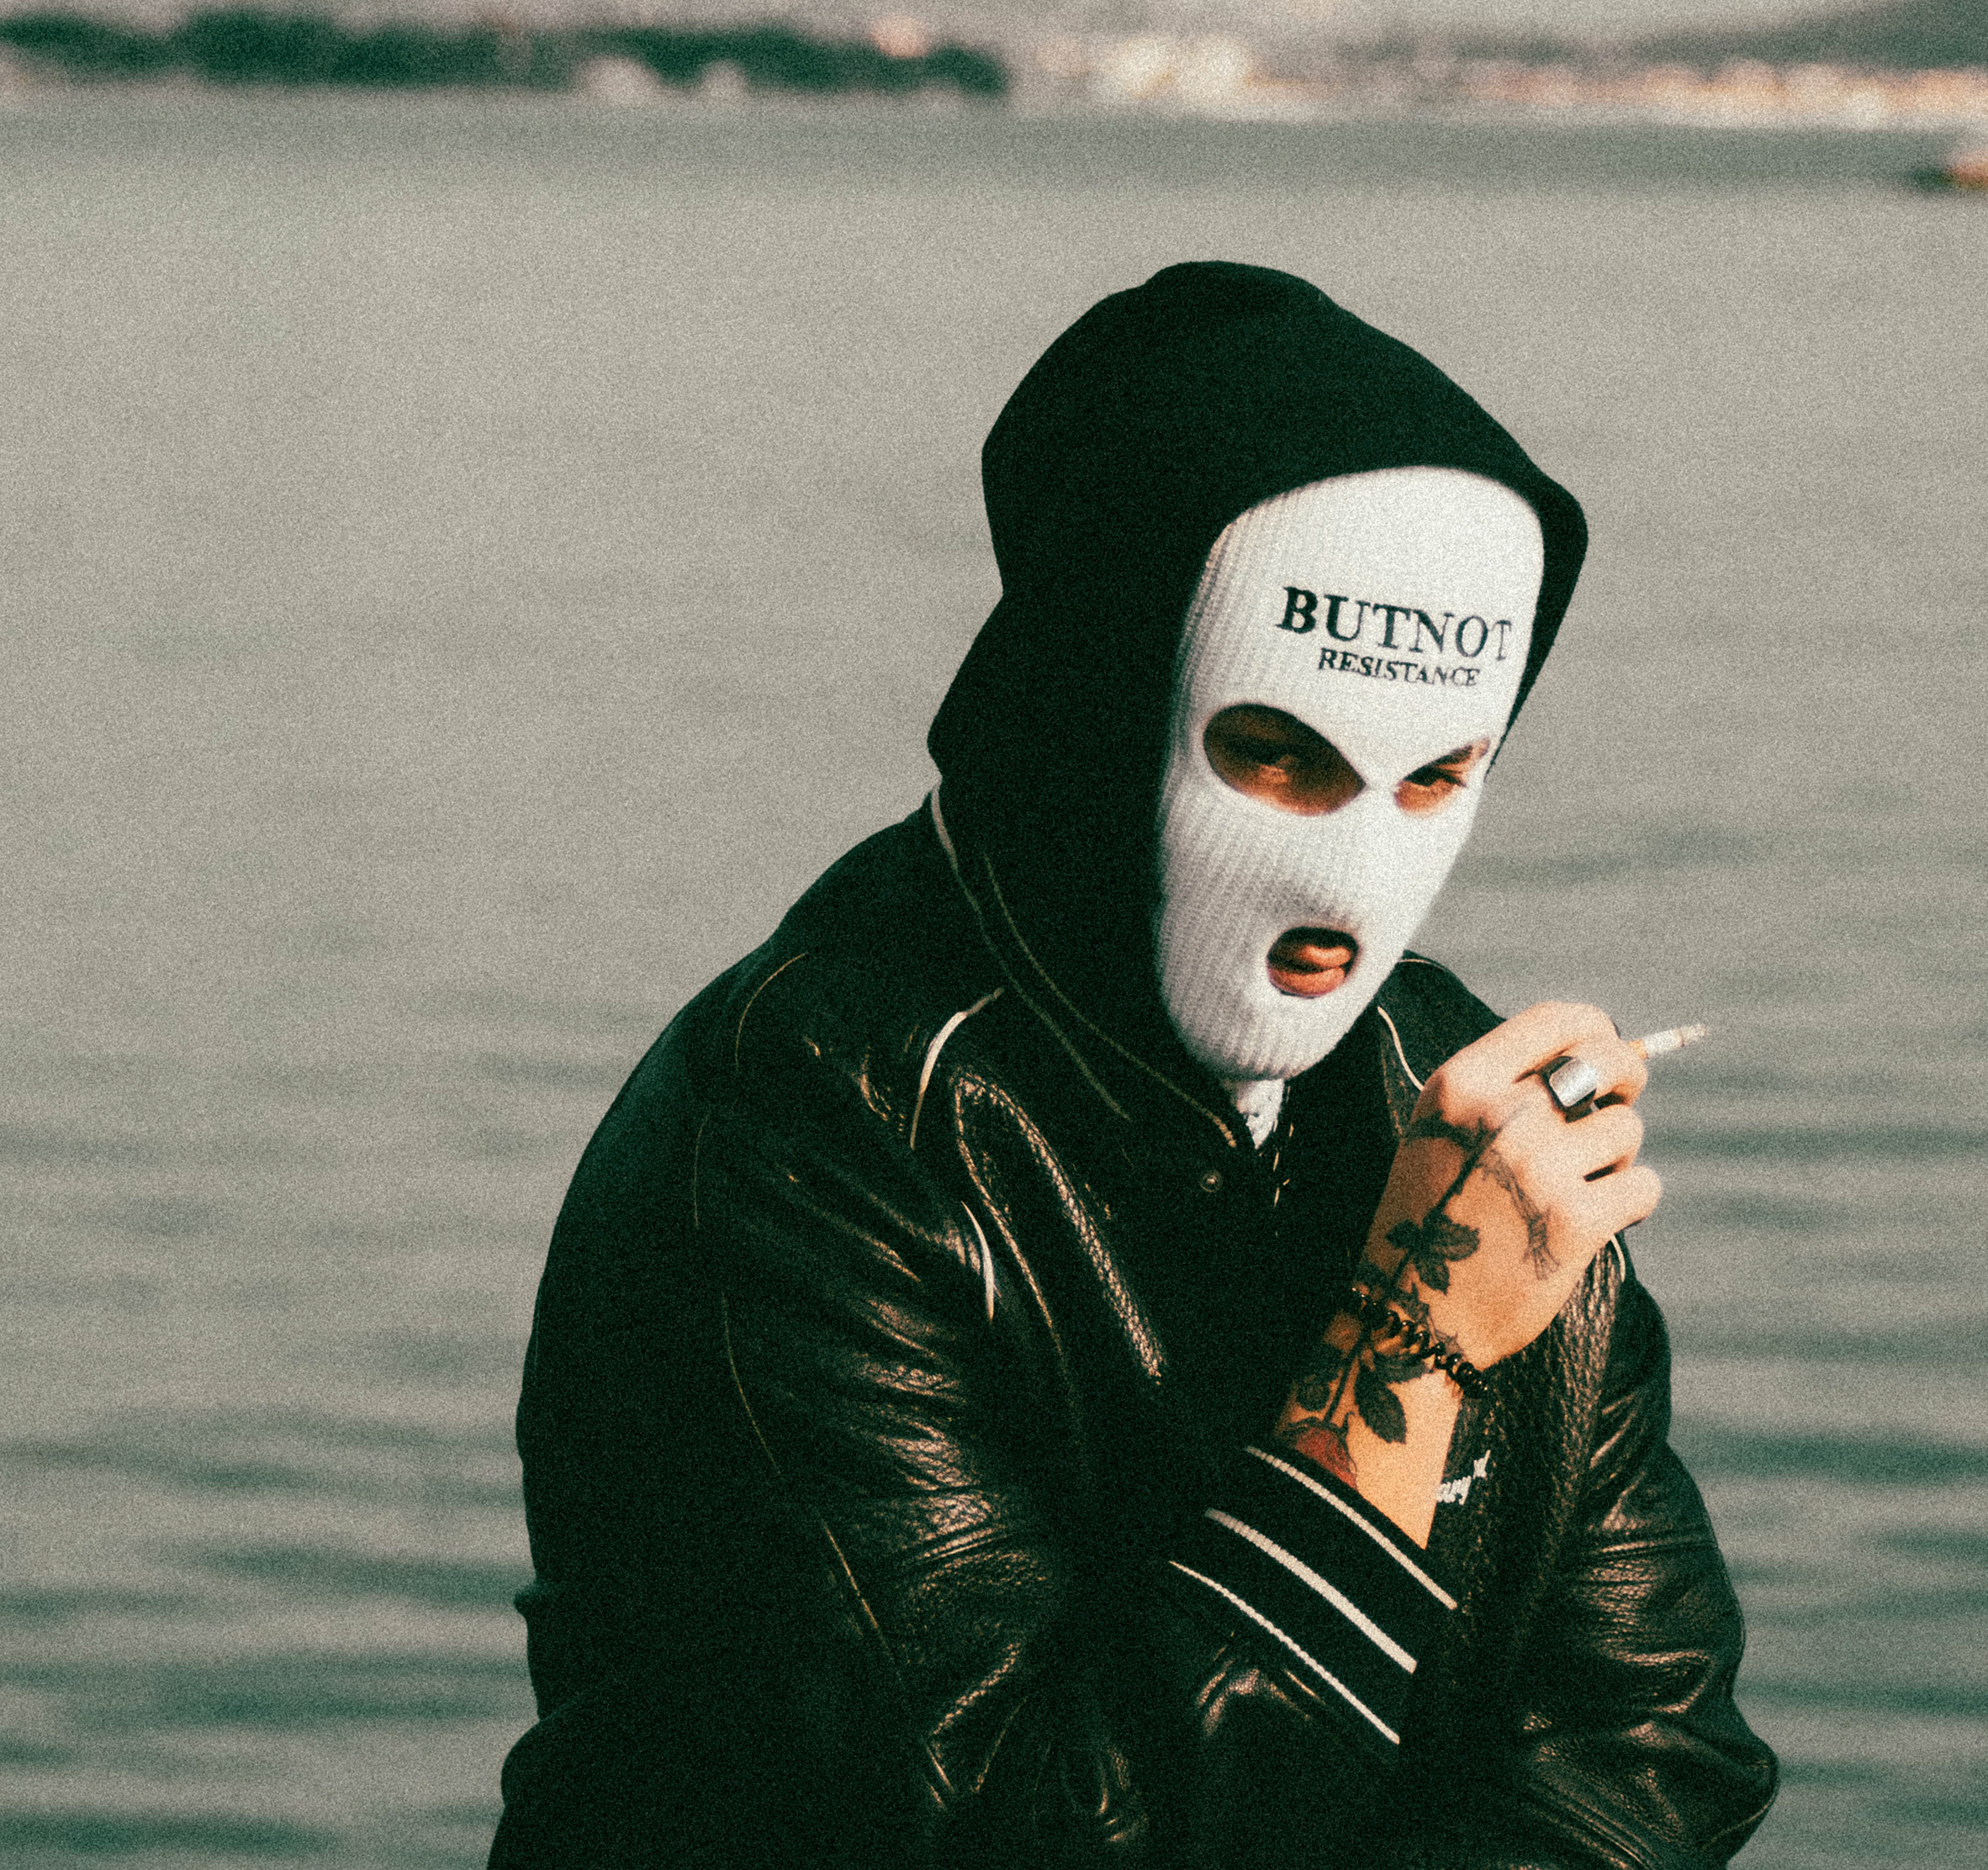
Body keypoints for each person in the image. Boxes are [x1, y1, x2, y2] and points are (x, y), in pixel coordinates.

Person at [490, 263, 1775, 1867]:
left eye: (1440, 776)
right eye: (1279, 757)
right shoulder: (815, 1125)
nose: (1353, 874)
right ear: (1099, 704)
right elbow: (1021, 1829)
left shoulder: (1457, 1095)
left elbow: (1656, 1743)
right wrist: (1418, 1339)